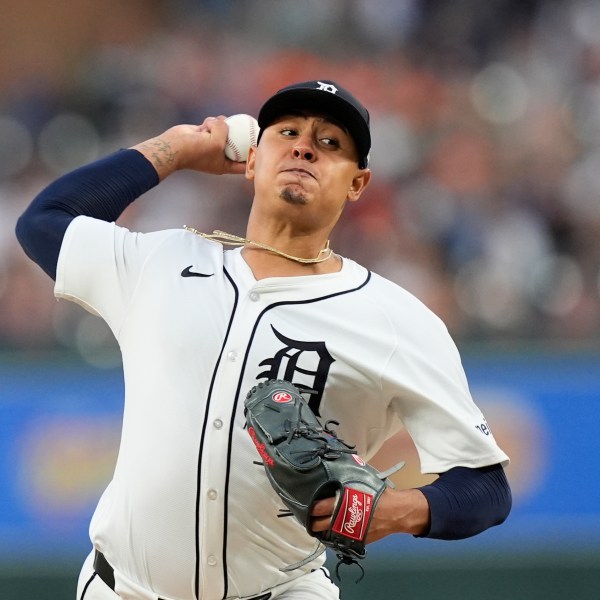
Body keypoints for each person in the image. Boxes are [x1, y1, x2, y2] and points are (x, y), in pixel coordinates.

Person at [16, 80, 511, 600]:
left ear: (357, 183)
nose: (303, 147)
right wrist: (179, 148)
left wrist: (401, 510)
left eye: (329, 144)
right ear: (252, 160)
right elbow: (44, 223)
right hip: (121, 590)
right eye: (288, 132)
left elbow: (485, 486)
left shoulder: (394, 321)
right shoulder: (161, 263)